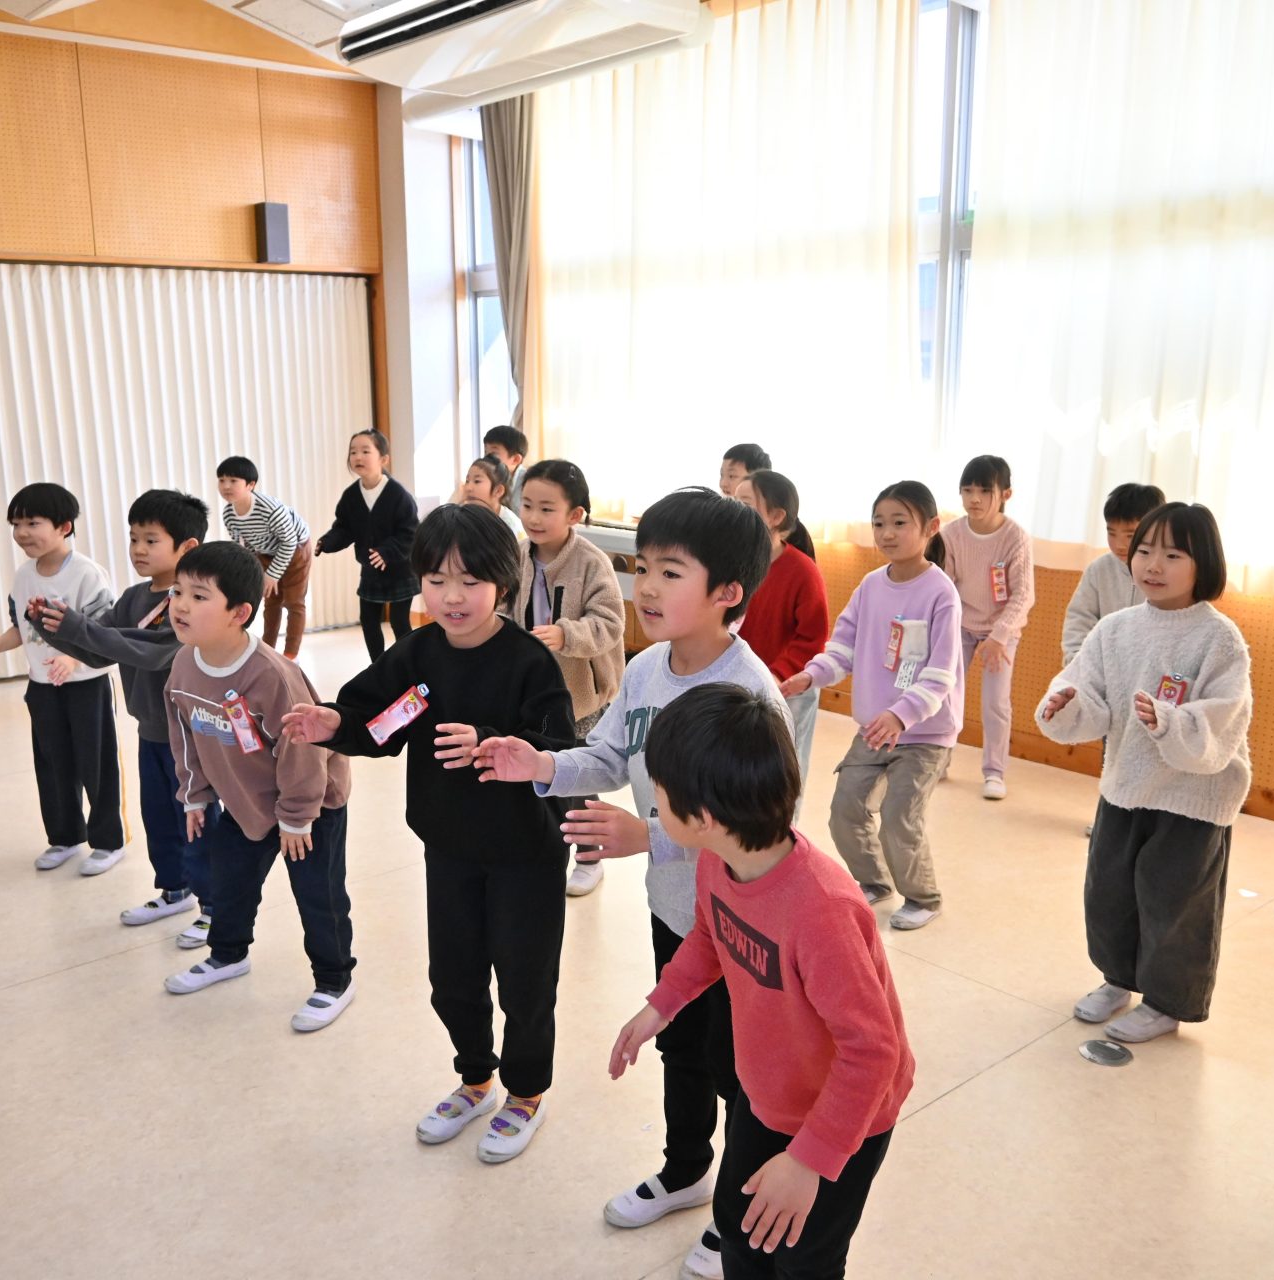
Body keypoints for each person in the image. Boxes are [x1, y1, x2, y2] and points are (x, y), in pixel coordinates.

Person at [475, 487, 779, 1279]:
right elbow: (609, 757)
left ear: (727, 591)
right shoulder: (644, 671)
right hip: (673, 913)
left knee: (740, 1073)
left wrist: (651, 837)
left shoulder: (750, 695)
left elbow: (761, 828)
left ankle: (737, 1218)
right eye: (641, 567)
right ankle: (685, 1172)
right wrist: (542, 764)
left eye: (670, 572)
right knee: (681, 1048)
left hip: (739, 928)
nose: (645, 586)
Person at [284, 504, 575, 1163]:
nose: (451, 596)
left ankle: (526, 1092)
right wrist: (334, 724)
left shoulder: (529, 662)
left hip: (525, 853)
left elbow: (562, 751)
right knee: (453, 975)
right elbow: (381, 719)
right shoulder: (419, 652)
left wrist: (496, 745)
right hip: (449, 845)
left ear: (503, 583)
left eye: (470, 581)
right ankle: (475, 1079)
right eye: (437, 580)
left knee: (524, 980)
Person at [610, 684, 914, 1280]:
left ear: (703, 817)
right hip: (767, 1093)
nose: (652, 802)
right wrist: (661, 1006)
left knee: (803, 1258)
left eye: (659, 792)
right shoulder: (718, 861)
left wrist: (809, 1160)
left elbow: (872, 1052)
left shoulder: (823, 913)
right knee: (740, 1230)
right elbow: (710, 937)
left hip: (844, 1116)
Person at [1037, 502, 1252, 1044]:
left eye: (1173, 555)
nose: (1154, 565)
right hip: (1126, 786)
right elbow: (1086, 690)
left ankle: (1165, 1003)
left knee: (1174, 902)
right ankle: (1117, 979)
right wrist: (1066, 705)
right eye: (1145, 551)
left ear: (1204, 564)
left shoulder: (1219, 638)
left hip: (1192, 797)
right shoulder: (1114, 629)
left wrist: (1171, 722)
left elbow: (1225, 717)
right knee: (1109, 891)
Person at [157, 542, 357, 1017]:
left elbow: (303, 748)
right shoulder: (184, 664)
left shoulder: (270, 675)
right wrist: (194, 796)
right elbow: (183, 734)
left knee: (319, 895)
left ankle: (335, 980)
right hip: (245, 802)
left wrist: (297, 817)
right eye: (178, 591)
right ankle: (228, 955)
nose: (181, 605)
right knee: (230, 882)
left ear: (239, 613)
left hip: (311, 806)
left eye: (199, 596)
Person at [33, 490, 218, 950]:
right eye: (134, 538)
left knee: (197, 821)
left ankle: (216, 908)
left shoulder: (191, 603)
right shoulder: (134, 597)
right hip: (149, 732)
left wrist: (78, 626)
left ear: (187, 547)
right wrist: (51, 627)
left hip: (189, 738)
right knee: (159, 818)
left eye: (151, 540)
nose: (138, 549)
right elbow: (101, 649)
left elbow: (147, 651)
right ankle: (174, 891)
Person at [783, 481, 963, 931]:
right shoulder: (870, 585)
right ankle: (874, 881)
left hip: (924, 734)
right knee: (845, 809)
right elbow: (842, 646)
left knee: (899, 817)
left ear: (931, 528)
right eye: (879, 523)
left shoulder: (941, 593)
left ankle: (923, 896)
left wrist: (901, 714)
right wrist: (812, 674)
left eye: (899, 523)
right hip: (873, 728)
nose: (887, 533)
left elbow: (941, 673)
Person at [0, 483, 127, 876]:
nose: (22, 533)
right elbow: (22, 628)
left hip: (86, 684)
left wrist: (71, 657)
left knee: (96, 764)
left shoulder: (86, 574)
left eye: (33, 523)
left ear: (64, 526)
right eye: (16, 524)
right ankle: (65, 837)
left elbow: (104, 630)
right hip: (43, 686)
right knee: (52, 764)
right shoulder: (23, 576)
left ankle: (108, 842)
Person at [500, 460, 626, 897]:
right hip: (531, 691)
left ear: (575, 514)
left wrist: (566, 634)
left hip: (581, 696)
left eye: (546, 508)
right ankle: (542, 848)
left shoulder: (591, 563)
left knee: (578, 778)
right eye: (527, 505)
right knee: (536, 769)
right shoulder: (517, 555)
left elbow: (611, 623)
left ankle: (589, 857)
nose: (533, 517)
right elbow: (502, 607)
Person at [940, 454, 1035, 800]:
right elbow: (945, 586)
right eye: (967, 490)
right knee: (944, 692)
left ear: (1005, 494)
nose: (974, 499)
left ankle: (994, 772)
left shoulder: (1015, 537)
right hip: (961, 625)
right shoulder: (951, 533)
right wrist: (946, 629)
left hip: (1001, 631)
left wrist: (998, 637)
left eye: (983, 491)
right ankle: (938, 760)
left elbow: (1023, 595)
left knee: (995, 702)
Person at [733, 470, 830, 792]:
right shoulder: (733, 562)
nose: (735, 510)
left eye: (745, 503)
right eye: (733, 501)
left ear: (775, 517)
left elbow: (812, 638)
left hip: (789, 687)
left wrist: (776, 676)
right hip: (742, 681)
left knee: (782, 771)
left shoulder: (803, 571)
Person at [316, 429, 420, 664]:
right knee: (369, 620)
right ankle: (378, 666)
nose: (357, 457)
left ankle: (409, 665)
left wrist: (387, 552)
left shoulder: (398, 495)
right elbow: (344, 528)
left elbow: (410, 533)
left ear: (384, 459)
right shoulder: (351, 496)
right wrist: (327, 542)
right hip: (371, 570)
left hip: (400, 570)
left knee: (399, 622)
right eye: (353, 452)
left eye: (365, 451)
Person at [216, 456, 315, 661]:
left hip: (296, 549)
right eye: (222, 480)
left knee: (294, 602)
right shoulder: (229, 514)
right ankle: (268, 650)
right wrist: (257, 572)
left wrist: (273, 574)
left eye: (233, 481)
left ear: (250, 485)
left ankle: (291, 655)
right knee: (271, 602)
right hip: (265, 552)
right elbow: (243, 547)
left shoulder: (270, 509)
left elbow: (289, 541)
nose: (226, 486)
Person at [1062, 483, 1167, 666]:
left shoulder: (1168, 572)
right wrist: (1079, 664)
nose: (1119, 544)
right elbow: (1079, 621)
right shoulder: (1099, 569)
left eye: (1130, 535)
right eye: (1112, 533)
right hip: (1098, 669)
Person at [462, 455, 525, 538]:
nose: (468, 488)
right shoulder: (466, 516)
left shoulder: (510, 527)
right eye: (467, 481)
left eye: (477, 481)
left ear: (498, 491)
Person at [482, 424, 528, 514]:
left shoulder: (528, 483)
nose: (486, 459)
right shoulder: (489, 479)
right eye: (485, 452)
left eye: (493, 454)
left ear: (515, 459)